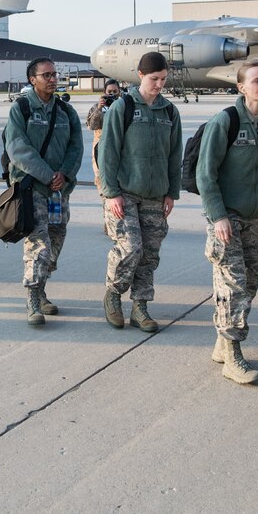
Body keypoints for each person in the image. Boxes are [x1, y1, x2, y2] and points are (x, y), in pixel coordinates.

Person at [197, 59, 258, 385]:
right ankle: (234, 356)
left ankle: (223, 343)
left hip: (257, 218)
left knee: (249, 284)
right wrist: (218, 216)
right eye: (256, 81)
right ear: (241, 87)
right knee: (234, 284)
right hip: (227, 218)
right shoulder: (226, 121)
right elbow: (205, 174)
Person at [97, 51, 182, 333]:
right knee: (130, 248)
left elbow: (174, 155)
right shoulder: (124, 106)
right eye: (155, 78)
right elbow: (107, 152)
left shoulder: (169, 111)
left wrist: (171, 192)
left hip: (156, 194)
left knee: (150, 254)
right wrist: (111, 193)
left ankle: (140, 307)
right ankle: (113, 294)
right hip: (125, 192)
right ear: (141, 75)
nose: (159, 84)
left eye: (163, 79)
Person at [4, 58, 83, 325]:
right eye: (46, 75)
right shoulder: (22, 109)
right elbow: (17, 149)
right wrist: (48, 175)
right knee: (39, 243)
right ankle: (33, 299)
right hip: (32, 188)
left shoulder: (65, 111)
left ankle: (41, 287)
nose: (52, 79)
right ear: (32, 79)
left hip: (58, 192)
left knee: (56, 239)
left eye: (54, 74)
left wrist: (65, 175)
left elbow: (76, 147)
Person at [85, 78, 121, 195]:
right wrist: (99, 109)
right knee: (101, 179)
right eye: (109, 91)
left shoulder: (123, 106)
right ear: (104, 92)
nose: (112, 94)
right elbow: (92, 126)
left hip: (119, 147)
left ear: (119, 91)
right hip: (100, 148)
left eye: (115, 91)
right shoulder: (97, 107)